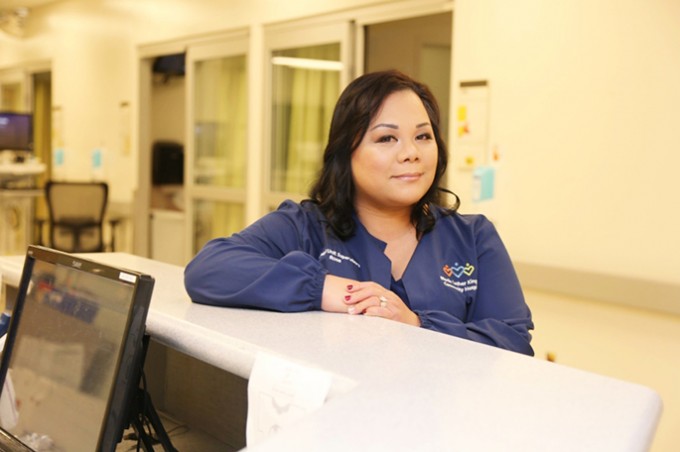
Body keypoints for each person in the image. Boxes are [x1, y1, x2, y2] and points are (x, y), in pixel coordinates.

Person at [184, 70, 534, 356]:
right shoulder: (306, 227)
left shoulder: (472, 237)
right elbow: (209, 269)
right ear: (345, 152)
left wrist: (416, 324)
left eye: (423, 137)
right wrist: (323, 288)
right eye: (386, 139)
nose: (411, 153)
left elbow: (513, 342)